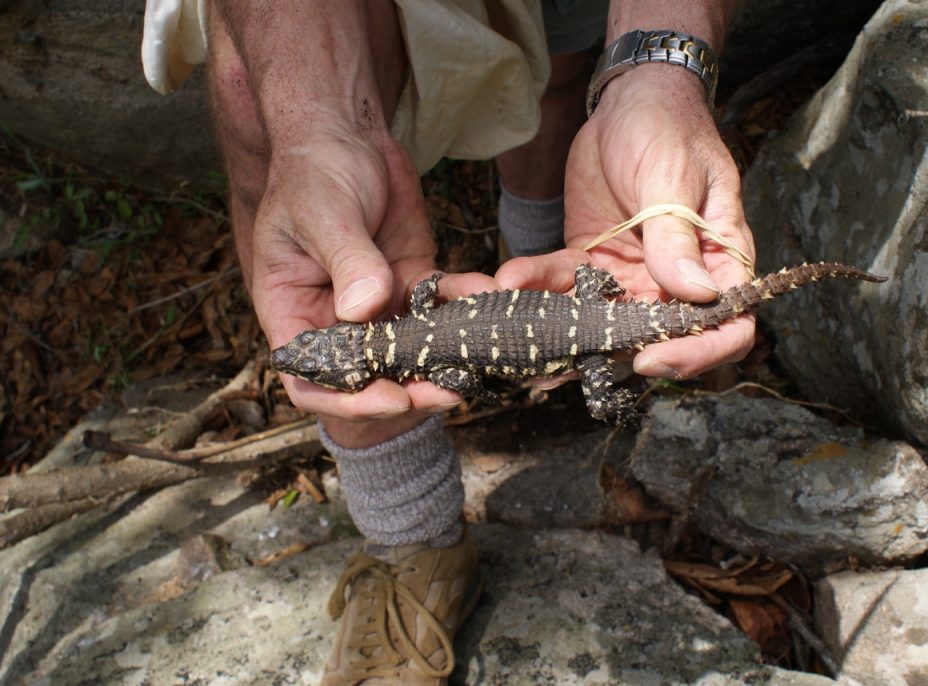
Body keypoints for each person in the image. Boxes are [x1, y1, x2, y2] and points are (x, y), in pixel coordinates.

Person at [142, 1, 755, 683]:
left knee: (552, 75)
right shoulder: (411, 321)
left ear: (358, 363)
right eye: (316, 354)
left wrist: (659, 76)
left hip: (585, 336)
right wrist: (314, 126)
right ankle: (415, 543)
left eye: (314, 355)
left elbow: (461, 382)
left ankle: (561, 291)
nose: (295, 357)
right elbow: (436, 305)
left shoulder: (420, 352)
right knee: (254, 103)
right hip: (584, 317)